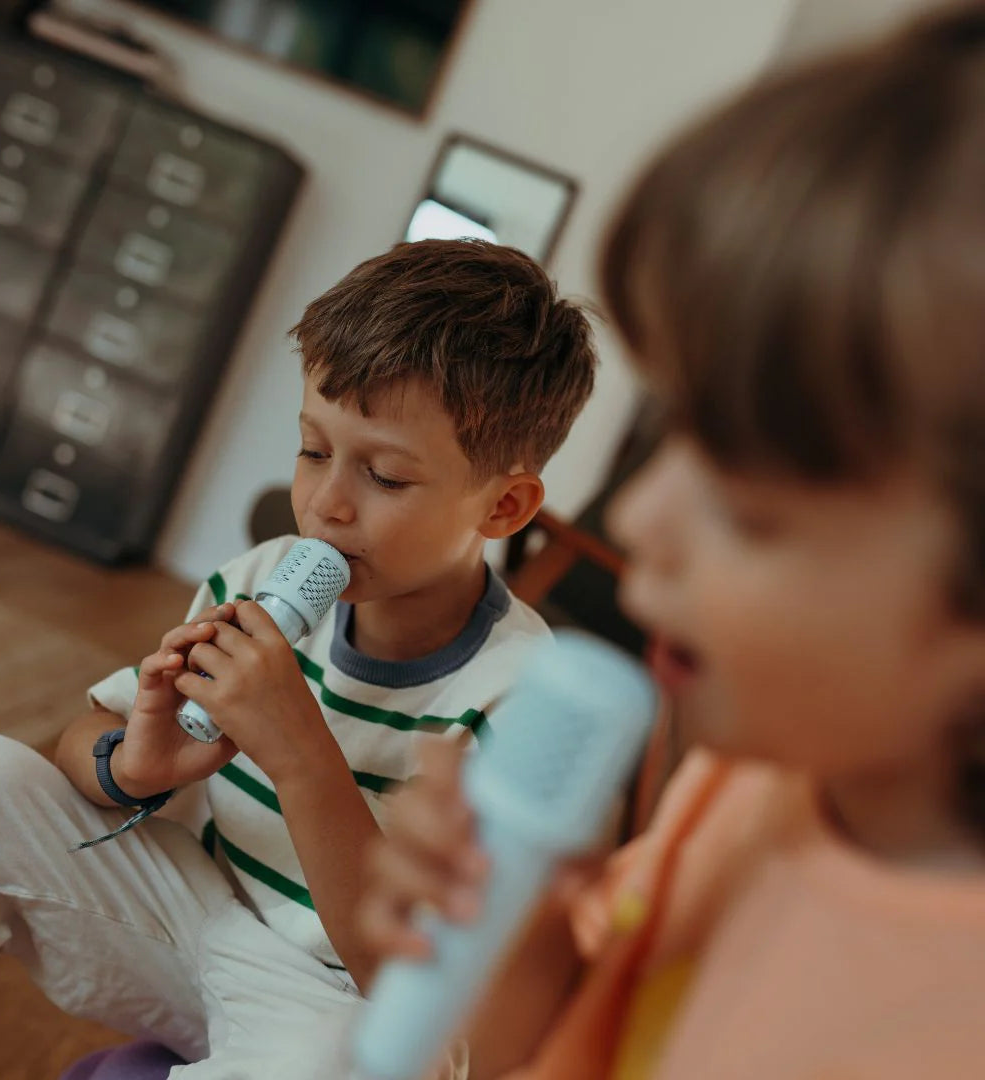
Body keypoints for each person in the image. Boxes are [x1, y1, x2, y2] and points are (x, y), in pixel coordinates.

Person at [357, 6, 985, 1079]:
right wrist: (506, 935)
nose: (641, 516)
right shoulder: (754, 782)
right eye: (673, 430)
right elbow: (571, 1036)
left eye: (749, 505)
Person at [0, 238, 598, 1079]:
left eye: (384, 476)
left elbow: (410, 982)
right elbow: (84, 739)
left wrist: (301, 756)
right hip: (191, 926)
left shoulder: (520, 694)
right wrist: (130, 762)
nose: (326, 504)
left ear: (504, 506)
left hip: (335, 1005)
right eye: (313, 451)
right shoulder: (260, 578)